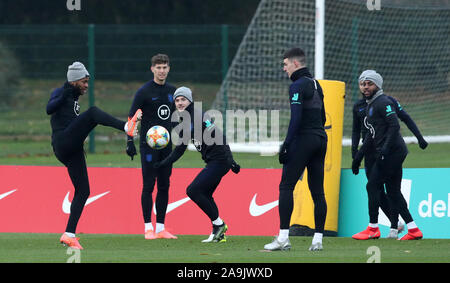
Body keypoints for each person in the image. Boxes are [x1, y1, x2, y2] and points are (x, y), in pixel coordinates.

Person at [47, 62, 142, 250]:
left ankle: (69, 234)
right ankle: (126, 127)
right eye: (84, 81)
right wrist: (65, 93)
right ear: (74, 81)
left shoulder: (73, 97)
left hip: (71, 148)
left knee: (83, 191)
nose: (87, 85)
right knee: (93, 113)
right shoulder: (62, 91)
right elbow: (49, 108)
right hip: (62, 142)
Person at [154, 86, 241, 243]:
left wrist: (163, 163)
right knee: (204, 194)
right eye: (177, 100)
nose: (180, 103)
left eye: (183, 99)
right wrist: (232, 160)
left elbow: (181, 147)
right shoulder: (194, 115)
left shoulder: (193, 117)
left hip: (219, 161)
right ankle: (218, 229)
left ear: (190, 100)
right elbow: (219, 135)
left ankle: (219, 225)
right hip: (219, 160)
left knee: (193, 190)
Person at [351, 70, 428, 239]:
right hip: (384, 151)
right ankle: (413, 229)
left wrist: (418, 139)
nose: (365, 87)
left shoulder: (384, 101)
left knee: (372, 186)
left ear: (378, 85)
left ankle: (374, 228)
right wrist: (357, 156)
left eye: (369, 83)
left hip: (391, 152)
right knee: (393, 191)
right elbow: (371, 134)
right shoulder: (367, 105)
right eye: (363, 84)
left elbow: (395, 125)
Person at [264, 48, 327, 251]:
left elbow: (296, 118)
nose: (284, 69)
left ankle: (283, 238)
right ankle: (318, 240)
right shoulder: (317, 85)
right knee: (317, 192)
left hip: (304, 139)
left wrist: (286, 145)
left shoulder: (297, 86)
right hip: (321, 139)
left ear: (296, 64)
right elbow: (323, 117)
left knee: (286, 186)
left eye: (286, 64)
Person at [126, 54, 178, 239]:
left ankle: (160, 228)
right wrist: (130, 141)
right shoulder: (144, 92)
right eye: (158, 68)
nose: (162, 71)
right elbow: (132, 117)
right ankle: (148, 227)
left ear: (169, 69)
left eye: (164, 67)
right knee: (149, 185)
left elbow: (181, 116)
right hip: (148, 147)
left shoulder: (173, 92)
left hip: (167, 146)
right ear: (152, 69)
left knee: (165, 185)